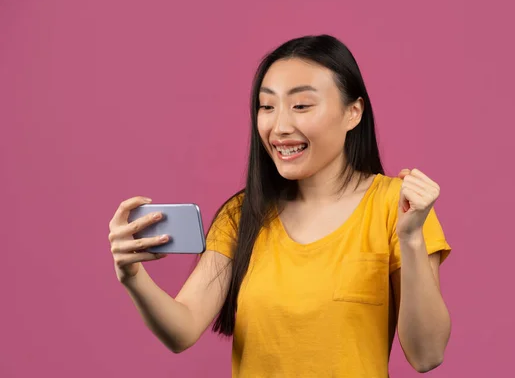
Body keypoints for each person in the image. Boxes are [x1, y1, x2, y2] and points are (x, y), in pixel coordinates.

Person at [108, 34, 452, 377]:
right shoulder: (242, 215)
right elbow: (181, 329)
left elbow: (426, 354)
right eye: (267, 106)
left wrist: (410, 240)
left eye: (301, 106)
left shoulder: (398, 207)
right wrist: (132, 275)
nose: (280, 126)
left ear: (353, 112)